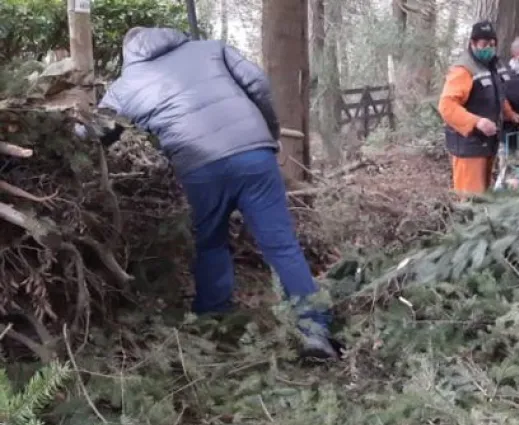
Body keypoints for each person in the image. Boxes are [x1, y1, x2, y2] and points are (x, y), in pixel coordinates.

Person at [93, 27, 342, 361]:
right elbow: (258, 83)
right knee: (281, 244)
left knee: (210, 242)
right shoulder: (210, 48)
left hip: (199, 167)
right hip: (254, 155)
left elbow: (93, 131)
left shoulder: (125, 86)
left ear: (128, 53)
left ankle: (214, 322)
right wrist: (268, 131)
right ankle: (315, 330)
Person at [437, 21, 519, 195]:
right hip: (468, 147)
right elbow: (446, 106)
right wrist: (476, 122)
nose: (489, 49)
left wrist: (508, 113)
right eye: (484, 44)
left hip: (487, 144)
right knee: (470, 200)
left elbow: (496, 95)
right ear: (473, 43)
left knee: (484, 197)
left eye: (492, 44)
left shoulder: (492, 66)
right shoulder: (463, 70)